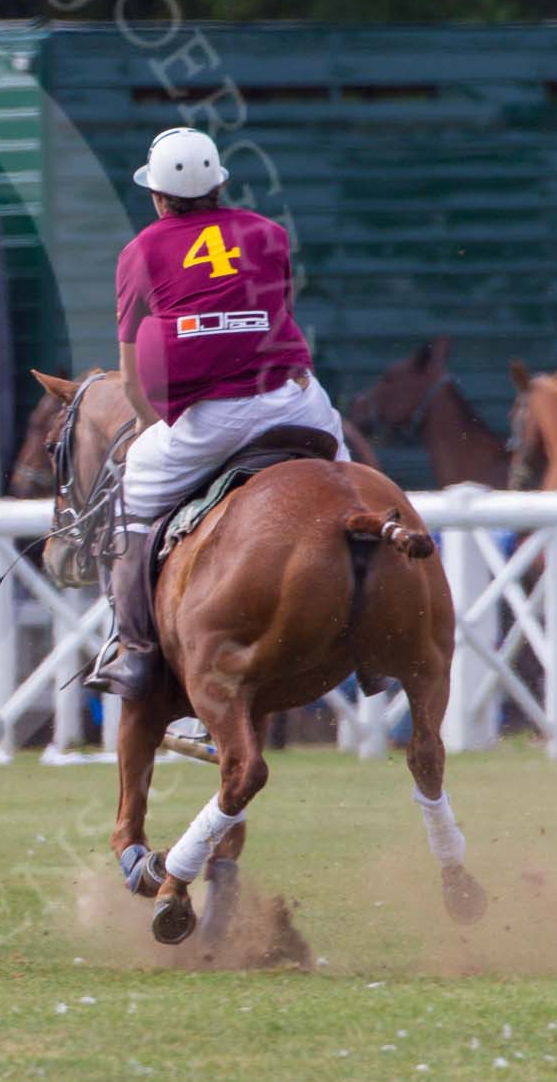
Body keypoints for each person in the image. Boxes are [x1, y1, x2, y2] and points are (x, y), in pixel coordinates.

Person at [87, 126, 350, 699]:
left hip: (212, 418)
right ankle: (376, 634)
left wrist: (148, 424)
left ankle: (134, 651)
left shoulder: (141, 252)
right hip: (296, 401)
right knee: (353, 486)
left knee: (129, 498)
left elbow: (132, 376)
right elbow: (277, 317)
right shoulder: (270, 234)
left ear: (157, 196)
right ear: (221, 185)